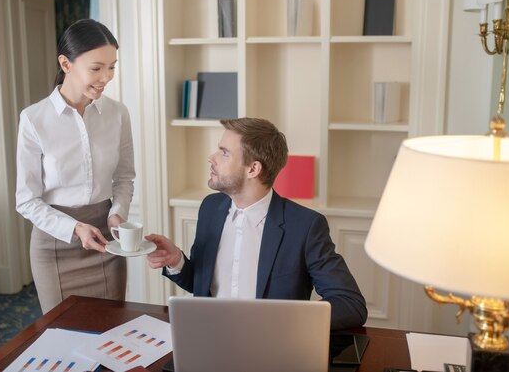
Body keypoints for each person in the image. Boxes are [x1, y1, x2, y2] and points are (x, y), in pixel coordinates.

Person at [146, 117, 368, 330]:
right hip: (210, 337)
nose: (211, 157)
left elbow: (350, 303)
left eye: (224, 153)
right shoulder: (211, 208)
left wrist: (282, 324)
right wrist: (176, 261)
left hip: (270, 348)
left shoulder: (305, 226)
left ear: (253, 169)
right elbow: (202, 287)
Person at [15, 19, 135, 314]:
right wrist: (74, 228)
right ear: (65, 64)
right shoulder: (34, 119)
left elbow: (124, 178)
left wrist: (117, 213)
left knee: (111, 329)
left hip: (106, 242)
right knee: (62, 335)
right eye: (96, 68)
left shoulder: (117, 114)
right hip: (55, 245)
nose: (106, 77)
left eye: (112, 67)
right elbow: (26, 200)